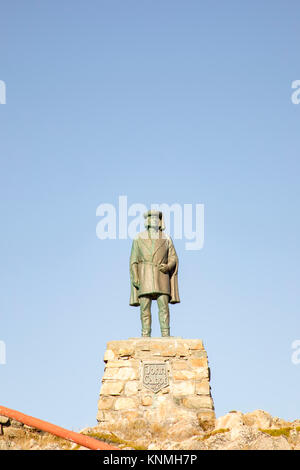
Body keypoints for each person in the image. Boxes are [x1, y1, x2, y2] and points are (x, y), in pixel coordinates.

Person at [129, 210, 180, 337]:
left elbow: (173, 257)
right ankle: (145, 334)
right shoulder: (138, 238)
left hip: (161, 275)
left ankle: (165, 333)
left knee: (164, 307)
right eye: (152, 219)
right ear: (147, 221)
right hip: (145, 275)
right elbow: (133, 260)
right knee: (144, 308)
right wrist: (135, 276)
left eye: (157, 219)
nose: (154, 221)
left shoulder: (166, 238)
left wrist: (168, 266)